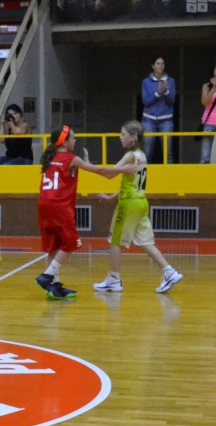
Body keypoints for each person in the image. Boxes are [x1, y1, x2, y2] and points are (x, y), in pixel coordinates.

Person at [91, 121, 183, 295]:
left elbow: (109, 174)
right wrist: (111, 197)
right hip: (141, 202)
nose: (120, 137)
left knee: (114, 241)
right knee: (146, 242)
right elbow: (130, 183)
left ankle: (114, 280)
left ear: (133, 137)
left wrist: (88, 165)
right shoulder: (142, 155)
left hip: (129, 203)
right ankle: (169, 272)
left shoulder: (130, 156)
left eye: (123, 134)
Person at [36, 125, 101, 300]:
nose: (75, 140)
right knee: (71, 243)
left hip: (44, 203)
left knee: (54, 246)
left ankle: (54, 286)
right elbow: (99, 171)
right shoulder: (71, 159)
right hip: (59, 205)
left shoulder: (49, 158)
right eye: (72, 138)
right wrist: (122, 170)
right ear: (64, 143)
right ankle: (47, 276)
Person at [140, 57, 176, 164]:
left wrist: (166, 92)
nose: (160, 66)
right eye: (158, 63)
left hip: (166, 120)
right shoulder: (146, 82)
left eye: (162, 63)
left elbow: (171, 101)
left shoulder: (171, 81)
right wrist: (158, 93)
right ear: (152, 66)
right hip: (148, 119)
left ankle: (169, 174)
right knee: (147, 152)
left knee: (168, 152)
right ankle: (145, 174)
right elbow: (146, 102)